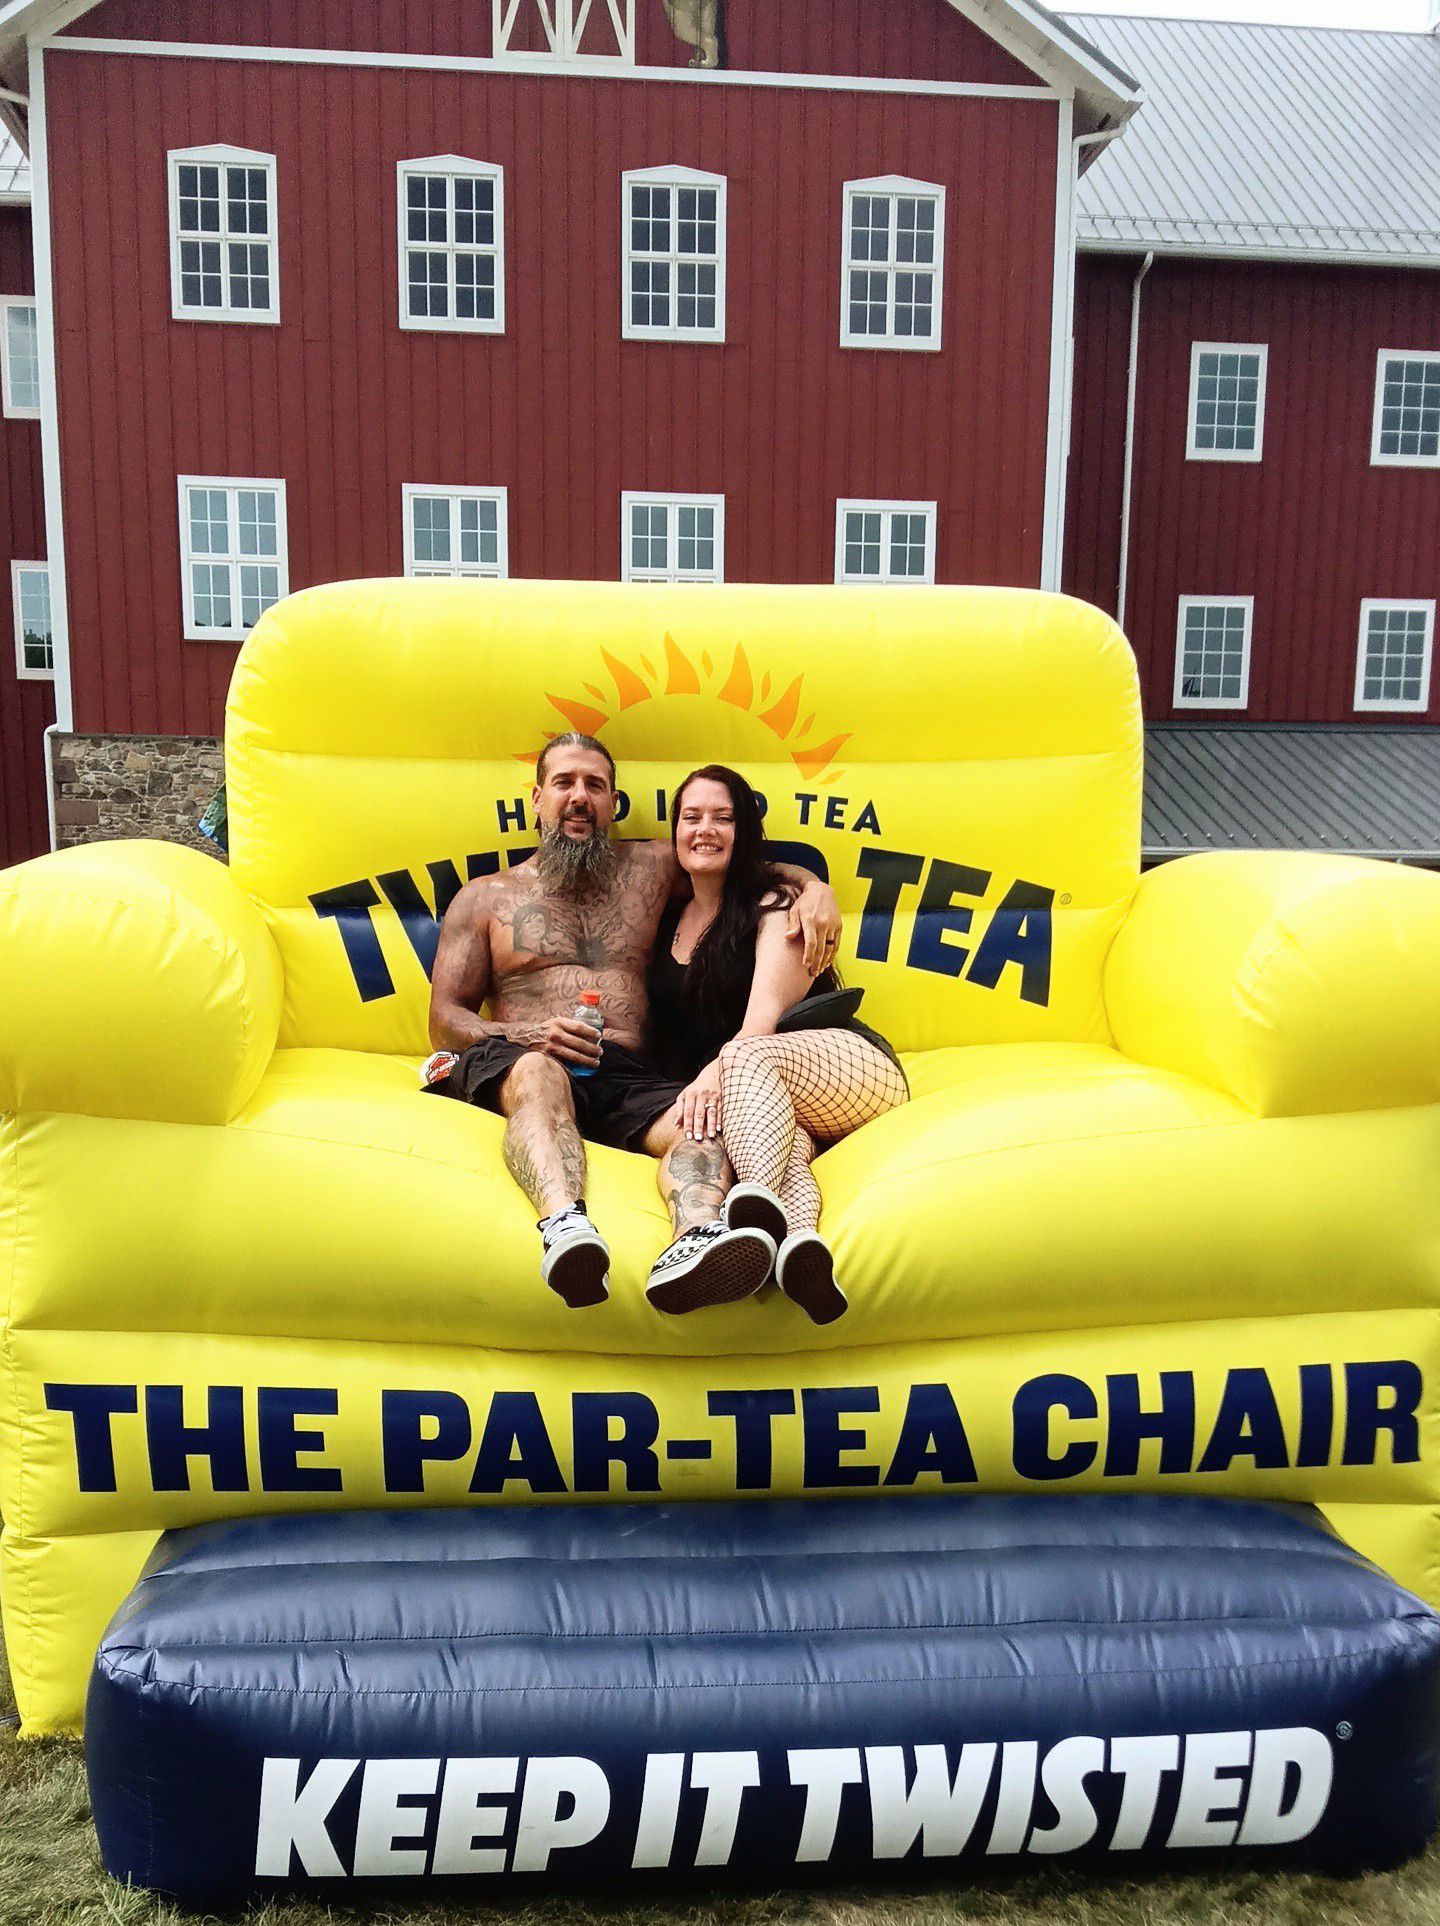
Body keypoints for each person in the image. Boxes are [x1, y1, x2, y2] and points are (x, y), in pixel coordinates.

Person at [424, 733, 842, 1313]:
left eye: (594, 785)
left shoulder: (649, 866)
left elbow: (742, 862)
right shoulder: (485, 898)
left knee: (703, 1123)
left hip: (628, 1076)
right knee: (541, 1072)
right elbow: (443, 1020)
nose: (579, 797)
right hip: (527, 1059)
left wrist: (814, 888)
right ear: (537, 797)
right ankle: (565, 1228)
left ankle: (696, 1237)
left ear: (614, 802)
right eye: (565, 783)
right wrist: (523, 1035)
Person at [648, 765, 908, 1325]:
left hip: (850, 1068)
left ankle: (750, 1208)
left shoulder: (779, 907)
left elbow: (762, 1023)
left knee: (742, 1056)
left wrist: (813, 887)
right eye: (691, 817)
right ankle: (798, 1250)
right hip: (778, 1101)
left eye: (723, 817)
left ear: (745, 831)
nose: (705, 829)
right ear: (675, 833)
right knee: (783, 1141)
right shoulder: (670, 914)